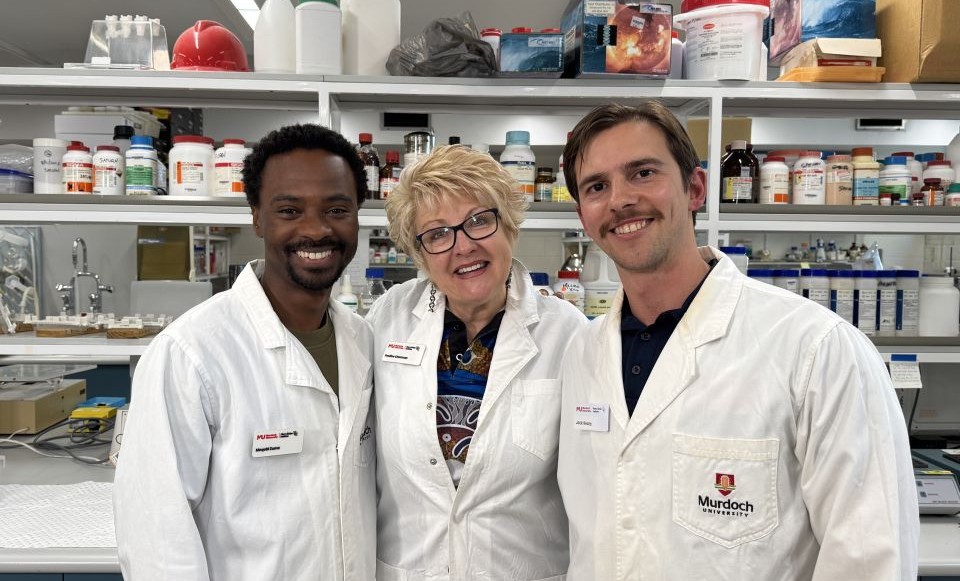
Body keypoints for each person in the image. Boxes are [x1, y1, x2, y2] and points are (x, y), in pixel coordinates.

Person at [557, 102, 919, 580]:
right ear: (584, 216)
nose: (621, 199)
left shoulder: (817, 349)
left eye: (643, 173)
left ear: (695, 188)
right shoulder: (583, 354)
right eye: (596, 187)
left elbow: (873, 561)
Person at [113, 124, 376, 581]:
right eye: (289, 210)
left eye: (337, 209)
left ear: (357, 217)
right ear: (257, 217)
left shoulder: (362, 340)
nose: (316, 229)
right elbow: (156, 537)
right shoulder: (191, 354)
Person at [368, 145, 586, 580]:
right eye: (436, 234)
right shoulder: (387, 320)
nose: (462, 246)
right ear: (420, 252)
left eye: (478, 221)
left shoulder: (568, 334)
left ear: (508, 225)